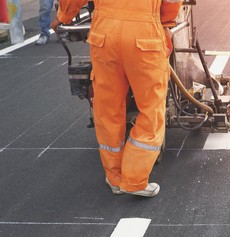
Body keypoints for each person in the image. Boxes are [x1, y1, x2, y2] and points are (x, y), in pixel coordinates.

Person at [52, 0, 183, 197]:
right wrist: (165, 24)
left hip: (104, 36)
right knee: (151, 109)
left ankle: (114, 178)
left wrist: (63, 16)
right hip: (144, 36)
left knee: (107, 109)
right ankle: (134, 179)